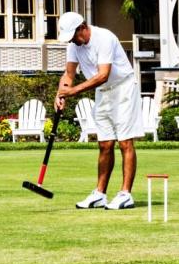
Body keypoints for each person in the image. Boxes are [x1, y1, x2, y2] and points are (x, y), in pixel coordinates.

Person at [55, 11, 144, 210]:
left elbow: (103, 75)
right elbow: (68, 74)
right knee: (104, 144)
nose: (72, 42)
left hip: (123, 89)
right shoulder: (74, 46)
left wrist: (73, 92)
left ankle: (125, 194)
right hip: (102, 93)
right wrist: (61, 94)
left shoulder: (105, 38)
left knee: (125, 141)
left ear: (82, 28)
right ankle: (100, 194)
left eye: (73, 36)